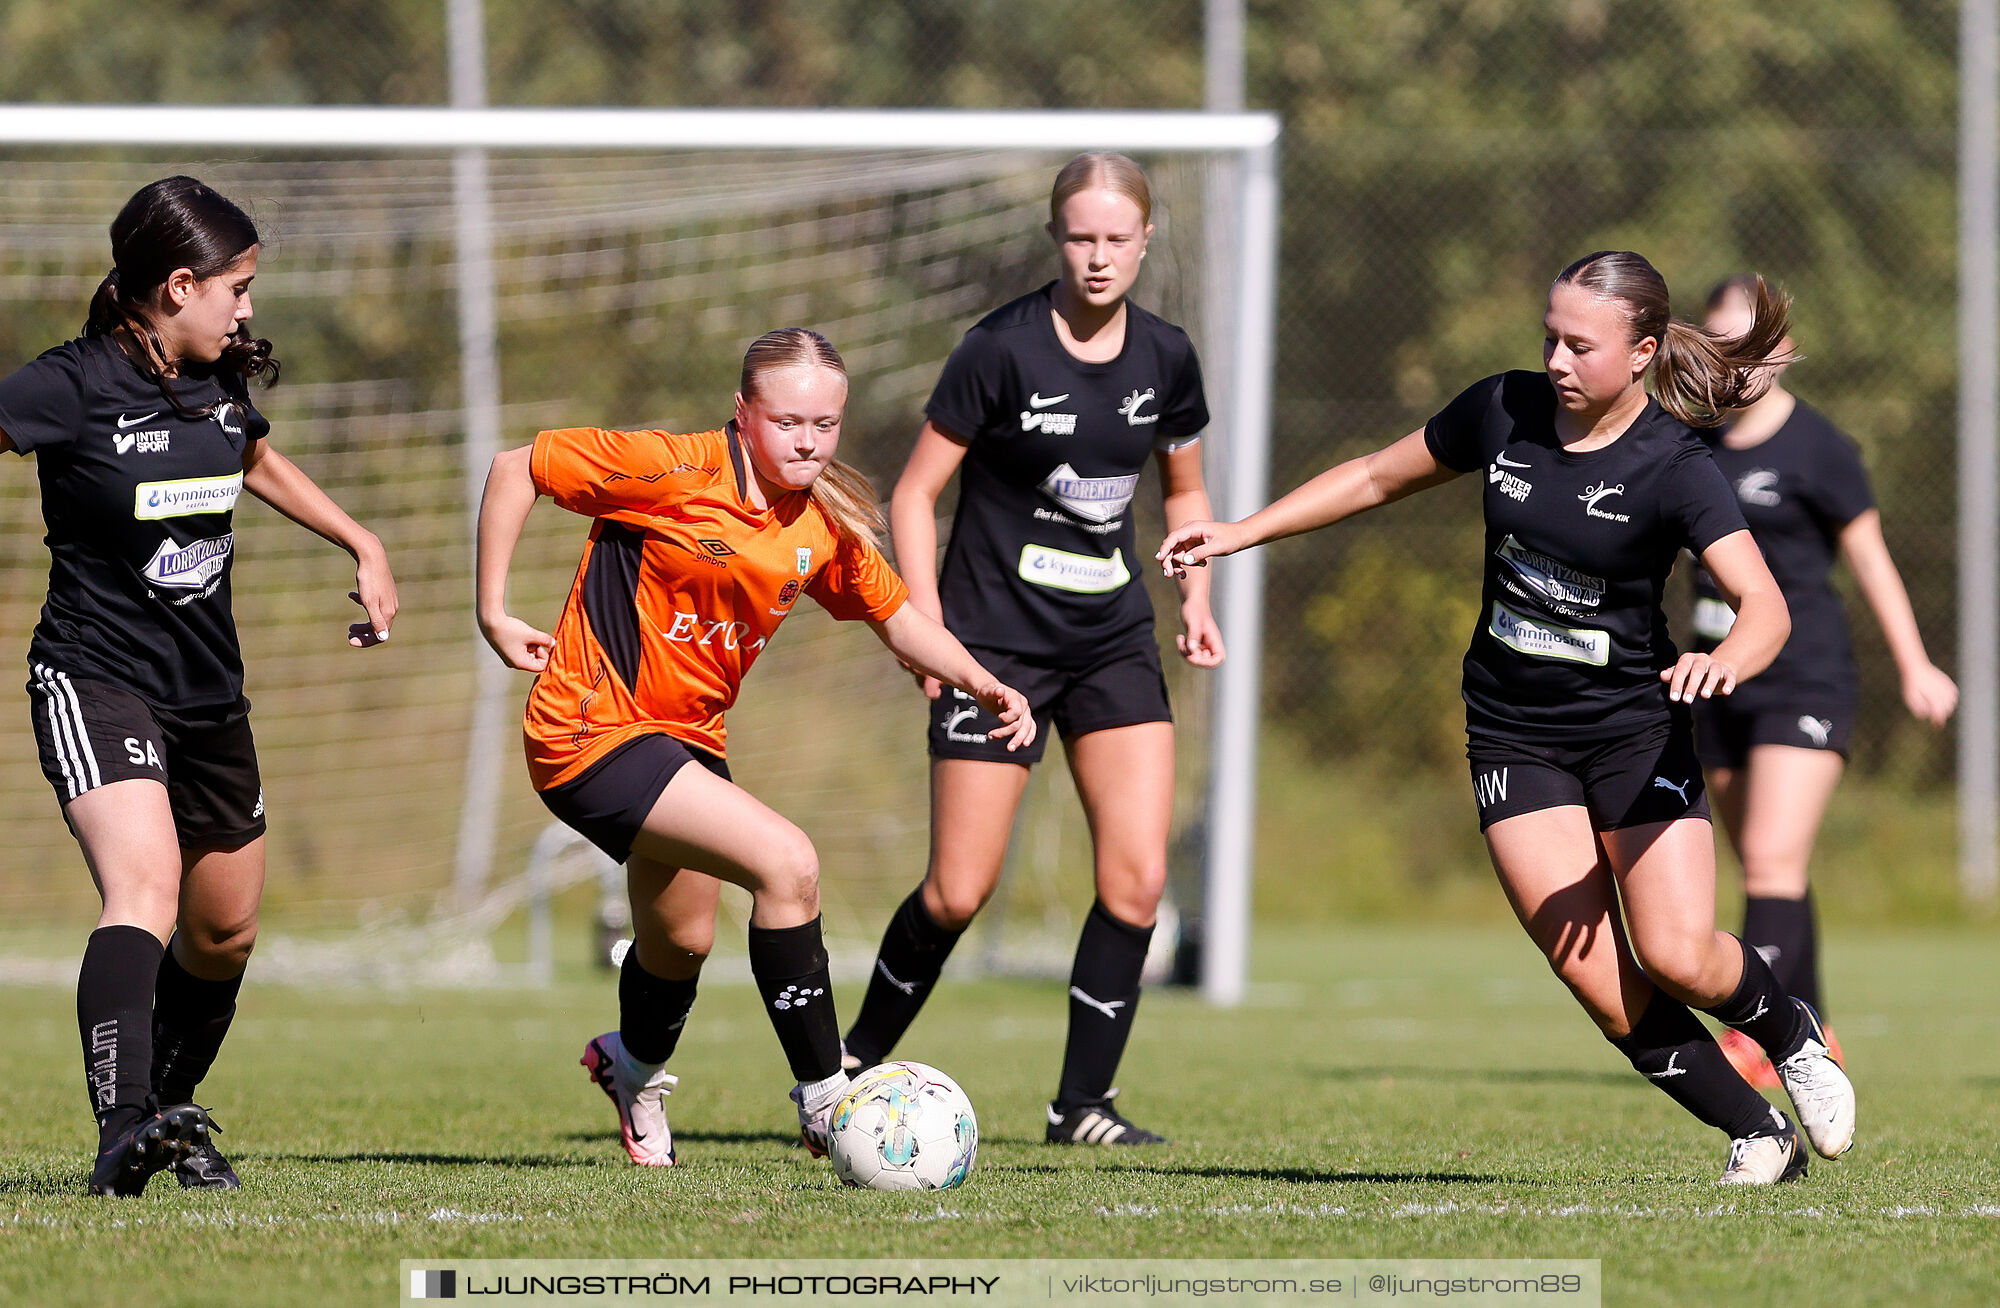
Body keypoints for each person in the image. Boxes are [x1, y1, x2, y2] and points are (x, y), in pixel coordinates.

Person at [1159, 252, 1857, 1185]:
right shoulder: (1503, 409)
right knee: (1594, 971)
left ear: (1643, 352)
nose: (1557, 360)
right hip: (1511, 730)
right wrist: (1239, 531)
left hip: (1633, 732)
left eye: (1581, 344)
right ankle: (1758, 1135)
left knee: (1678, 955)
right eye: (1549, 337)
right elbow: (1372, 477)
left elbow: (1764, 604)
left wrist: (1724, 659)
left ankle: (1791, 1031)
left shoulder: (1676, 464)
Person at [475, 327, 1034, 1167]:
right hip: (587, 728)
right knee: (787, 862)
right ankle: (824, 1098)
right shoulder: (672, 468)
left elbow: (902, 620)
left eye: (825, 424)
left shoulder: (822, 522)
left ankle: (630, 1068)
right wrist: (493, 608)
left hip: (687, 743)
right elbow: (516, 467)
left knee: (681, 944)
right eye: (787, 422)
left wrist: (983, 681)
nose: (807, 441)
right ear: (743, 415)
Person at [0, 176, 400, 1196]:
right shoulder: (70, 385)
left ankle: (166, 1119)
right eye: (238, 286)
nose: (248, 306)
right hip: (96, 679)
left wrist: (358, 537)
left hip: (208, 694)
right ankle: (120, 1132)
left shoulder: (216, 377)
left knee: (224, 933)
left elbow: (248, 454)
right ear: (178, 285)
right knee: (147, 890)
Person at [837, 153, 1223, 1148]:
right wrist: (926, 628)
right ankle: (843, 1072)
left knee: (1133, 882)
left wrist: (1196, 594)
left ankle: (1079, 1107)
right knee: (957, 890)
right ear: (1056, 240)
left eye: (1116, 239)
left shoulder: (1166, 358)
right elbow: (914, 494)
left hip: (1112, 641)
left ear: (1145, 241)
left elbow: (1181, 492)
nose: (1097, 259)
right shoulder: (997, 349)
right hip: (992, 645)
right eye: (1079, 238)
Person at [1692, 276, 1958, 1087]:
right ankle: (1813, 1027)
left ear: (1778, 349)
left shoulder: (1821, 450)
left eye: (1748, 346)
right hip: (1716, 678)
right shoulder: (1688, 444)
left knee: (1772, 857)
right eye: (1719, 347)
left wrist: (1914, 664)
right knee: (1767, 867)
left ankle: (1755, 1037)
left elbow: (1870, 562)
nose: (1734, 364)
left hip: (1805, 677)